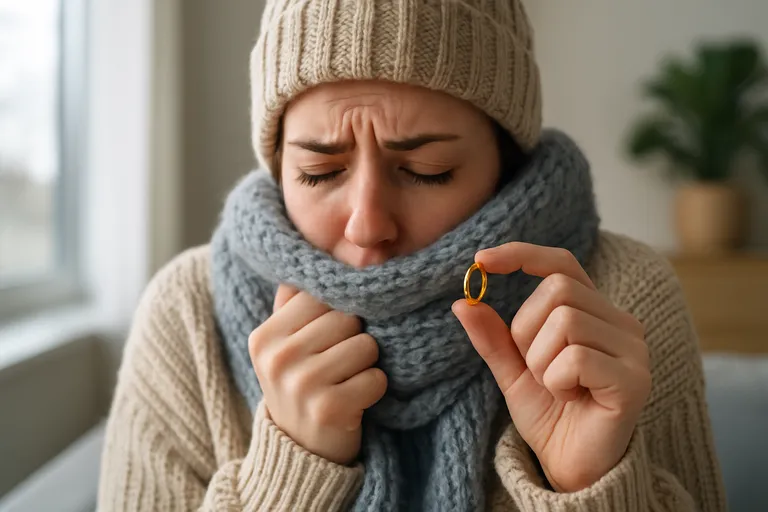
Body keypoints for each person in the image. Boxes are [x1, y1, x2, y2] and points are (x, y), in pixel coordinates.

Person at [97, 0, 728, 510]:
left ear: (504, 165)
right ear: (279, 165)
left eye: (427, 170)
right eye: (319, 172)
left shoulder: (619, 297)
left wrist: (592, 484)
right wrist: (290, 474)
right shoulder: (187, 311)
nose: (368, 225)